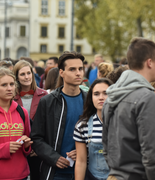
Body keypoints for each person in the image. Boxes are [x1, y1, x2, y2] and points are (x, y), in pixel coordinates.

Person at [102, 37, 155, 180]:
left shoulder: (111, 96)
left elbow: (106, 147)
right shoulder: (148, 98)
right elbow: (153, 154)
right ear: (150, 62)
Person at [30, 51, 87, 180]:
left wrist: (84, 151)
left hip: (85, 171)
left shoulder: (89, 101)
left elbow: (100, 136)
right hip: (55, 172)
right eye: (72, 69)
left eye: (80, 69)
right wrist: (54, 157)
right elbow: (36, 138)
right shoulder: (48, 101)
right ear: (61, 72)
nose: (78, 73)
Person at [13, 60, 48, 180]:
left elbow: (48, 125)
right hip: (17, 147)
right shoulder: (10, 97)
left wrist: (39, 148)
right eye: (22, 74)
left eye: (29, 73)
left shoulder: (45, 95)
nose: (27, 77)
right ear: (16, 77)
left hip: (39, 149)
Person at [74, 78, 113, 180]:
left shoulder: (123, 123)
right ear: (91, 98)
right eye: (96, 94)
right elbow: (81, 161)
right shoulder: (82, 125)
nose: (101, 97)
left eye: (106, 93)